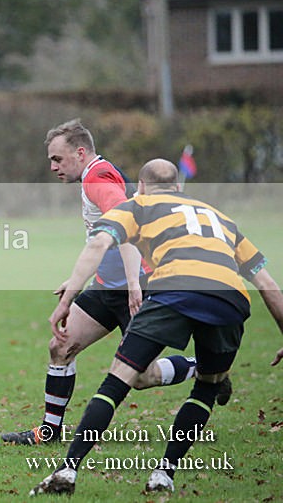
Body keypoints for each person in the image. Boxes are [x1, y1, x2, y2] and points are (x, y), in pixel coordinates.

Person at [30, 159, 283, 495]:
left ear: (143, 186)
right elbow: (267, 285)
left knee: (118, 381)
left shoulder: (139, 205)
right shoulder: (221, 218)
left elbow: (97, 244)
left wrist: (67, 299)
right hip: (229, 300)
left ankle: (68, 471)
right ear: (178, 187)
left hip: (173, 292)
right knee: (208, 389)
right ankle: (164, 473)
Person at [2, 119, 212, 445]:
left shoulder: (97, 179)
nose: (53, 166)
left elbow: (123, 224)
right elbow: (106, 238)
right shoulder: (96, 174)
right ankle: (50, 431)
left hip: (138, 288)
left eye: (58, 159)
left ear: (80, 152)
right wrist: (78, 278)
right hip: (106, 287)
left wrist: (132, 284)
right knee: (61, 346)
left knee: (141, 376)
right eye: (50, 160)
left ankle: (205, 367)